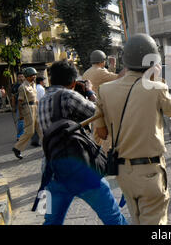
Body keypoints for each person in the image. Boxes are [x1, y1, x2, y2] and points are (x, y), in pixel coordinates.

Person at [94, 34, 171, 225]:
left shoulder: (105, 90)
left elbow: (102, 132)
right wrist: (157, 80)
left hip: (123, 173)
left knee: (137, 219)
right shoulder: (157, 88)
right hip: (150, 171)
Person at [38, 60, 127, 225]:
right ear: (72, 82)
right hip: (81, 170)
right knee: (113, 218)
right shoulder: (68, 95)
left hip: (52, 172)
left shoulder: (43, 99)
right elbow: (98, 112)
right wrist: (89, 91)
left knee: (51, 221)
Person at [12, 67, 43, 159]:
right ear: (27, 76)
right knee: (30, 131)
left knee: (41, 129)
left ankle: (48, 148)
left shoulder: (33, 85)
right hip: (27, 109)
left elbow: (35, 98)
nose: (34, 77)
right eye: (31, 75)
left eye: (34, 75)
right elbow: (20, 102)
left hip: (35, 107)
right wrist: (21, 115)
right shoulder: (23, 87)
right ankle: (17, 148)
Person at [11, 72, 26, 140]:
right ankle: (19, 135)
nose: (21, 78)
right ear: (17, 78)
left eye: (22, 76)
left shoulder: (27, 84)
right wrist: (13, 107)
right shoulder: (15, 86)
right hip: (19, 105)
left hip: (27, 104)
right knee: (21, 120)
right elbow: (13, 97)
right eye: (20, 77)